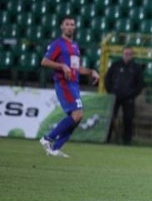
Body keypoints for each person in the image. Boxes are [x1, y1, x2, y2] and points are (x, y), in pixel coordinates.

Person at [38, 15, 100, 158]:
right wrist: (61, 65)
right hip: (64, 83)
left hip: (74, 84)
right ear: (61, 26)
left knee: (76, 118)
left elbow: (76, 68)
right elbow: (44, 61)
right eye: (67, 24)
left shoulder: (74, 46)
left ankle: (55, 148)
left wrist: (91, 71)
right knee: (78, 114)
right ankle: (48, 139)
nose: (70, 27)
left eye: (72, 24)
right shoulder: (57, 44)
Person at [105, 46, 145, 145]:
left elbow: (140, 83)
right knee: (110, 117)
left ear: (132, 55)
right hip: (115, 96)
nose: (127, 56)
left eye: (129, 54)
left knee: (128, 119)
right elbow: (107, 79)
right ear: (122, 54)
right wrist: (111, 91)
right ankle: (107, 138)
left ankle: (127, 140)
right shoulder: (115, 65)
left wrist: (133, 94)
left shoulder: (136, 68)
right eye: (126, 53)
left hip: (129, 98)